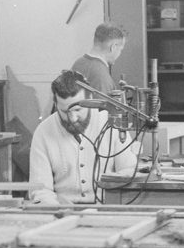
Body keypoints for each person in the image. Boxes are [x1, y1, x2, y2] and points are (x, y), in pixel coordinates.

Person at [29, 70, 139, 205]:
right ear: (55, 104)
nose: (72, 118)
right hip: (62, 213)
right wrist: (58, 212)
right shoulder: (43, 132)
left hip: (107, 209)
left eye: (77, 109)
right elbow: (40, 190)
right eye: (64, 111)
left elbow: (129, 170)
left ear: (90, 99)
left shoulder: (111, 123)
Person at [70, 23, 127, 94]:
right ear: (113, 47)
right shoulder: (102, 77)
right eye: (120, 49)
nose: (119, 53)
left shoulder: (78, 63)